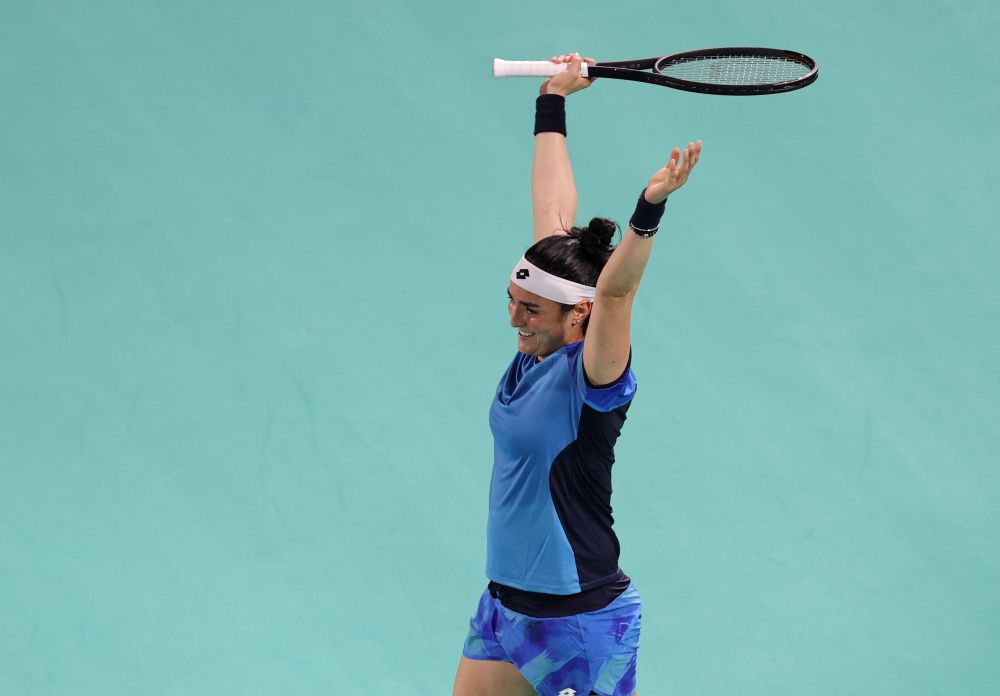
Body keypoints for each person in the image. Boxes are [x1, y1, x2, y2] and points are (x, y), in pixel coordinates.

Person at [453, 52, 702, 696]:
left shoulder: (592, 375)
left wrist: (648, 210)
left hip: (579, 622)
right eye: (513, 299)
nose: (515, 319)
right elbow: (551, 215)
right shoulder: (537, 343)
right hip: (505, 608)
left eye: (529, 309)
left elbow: (618, 293)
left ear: (578, 315)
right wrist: (552, 102)